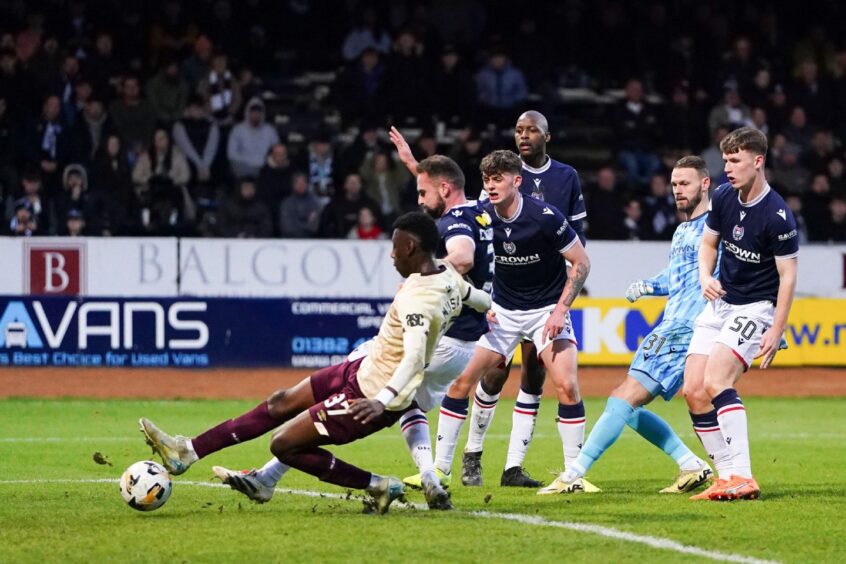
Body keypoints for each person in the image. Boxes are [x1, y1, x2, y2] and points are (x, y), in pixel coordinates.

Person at [139, 211, 492, 514]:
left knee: (284, 444)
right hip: (360, 369)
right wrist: (494, 312)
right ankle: (188, 451)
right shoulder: (446, 276)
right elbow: (477, 297)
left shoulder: (418, 299)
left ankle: (378, 485)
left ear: (411, 248)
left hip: (368, 394)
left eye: (395, 247)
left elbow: (415, 359)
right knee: (280, 402)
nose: (391, 255)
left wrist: (380, 401)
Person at [216, 154, 494, 509]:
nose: (419, 201)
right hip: (463, 347)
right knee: (409, 404)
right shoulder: (479, 211)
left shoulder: (453, 223)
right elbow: (477, 284)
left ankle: (270, 475)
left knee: (351, 378)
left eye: (422, 192)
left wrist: (428, 280)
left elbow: (463, 256)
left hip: (440, 338)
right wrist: (486, 305)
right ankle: (430, 477)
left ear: (444, 188)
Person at [540, 156, 715, 494]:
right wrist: (650, 285)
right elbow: (679, 278)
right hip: (669, 324)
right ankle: (691, 465)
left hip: (689, 328)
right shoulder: (682, 230)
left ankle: (573, 473)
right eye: (675, 184)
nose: (678, 190)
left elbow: (722, 277)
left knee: (623, 400)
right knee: (625, 406)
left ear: (704, 184)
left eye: (686, 184)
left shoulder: (714, 229)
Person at [445, 110, 589, 488]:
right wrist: (481, 301)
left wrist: (563, 302)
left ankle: (524, 468)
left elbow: (578, 245)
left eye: (531, 130)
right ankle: (464, 458)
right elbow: (471, 239)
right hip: (504, 304)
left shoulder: (562, 183)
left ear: (546, 136)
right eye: (518, 130)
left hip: (546, 302)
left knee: (542, 378)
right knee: (489, 376)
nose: (524, 136)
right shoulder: (489, 195)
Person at [684, 127, 798, 501]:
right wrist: (705, 276)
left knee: (717, 380)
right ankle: (726, 475)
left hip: (756, 307)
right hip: (721, 303)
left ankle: (744, 476)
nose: (727, 168)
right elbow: (708, 244)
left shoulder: (778, 215)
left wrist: (776, 330)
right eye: (726, 160)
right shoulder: (722, 197)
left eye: (735, 160)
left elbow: (788, 277)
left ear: (758, 161)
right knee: (693, 392)